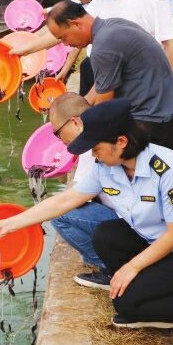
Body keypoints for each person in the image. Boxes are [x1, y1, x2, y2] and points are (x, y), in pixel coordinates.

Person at [0, 99, 173, 345]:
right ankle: (153, 301)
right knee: (106, 236)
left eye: (96, 149)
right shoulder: (106, 167)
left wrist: (132, 267)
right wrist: (9, 225)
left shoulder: (169, 170)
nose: (93, 156)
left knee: (126, 304)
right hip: (158, 240)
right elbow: (65, 201)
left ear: (120, 142)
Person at [47, 0, 173, 151]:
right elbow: (103, 84)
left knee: (109, 151)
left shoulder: (103, 48)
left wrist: (76, 140)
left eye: (63, 37)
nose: (65, 44)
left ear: (75, 24)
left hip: (158, 123)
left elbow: (103, 112)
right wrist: (77, 108)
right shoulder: (113, 25)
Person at [49, 93, 118, 289]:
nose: (59, 139)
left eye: (57, 133)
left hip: (130, 222)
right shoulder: (107, 129)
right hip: (136, 218)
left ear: (75, 122)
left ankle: (111, 268)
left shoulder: (92, 144)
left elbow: (73, 198)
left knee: (59, 215)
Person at [54, 0, 99, 94]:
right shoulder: (90, 3)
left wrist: (25, 50)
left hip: (98, 64)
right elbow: (78, 41)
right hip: (91, 63)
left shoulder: (95, 8)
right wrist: (65, 69)